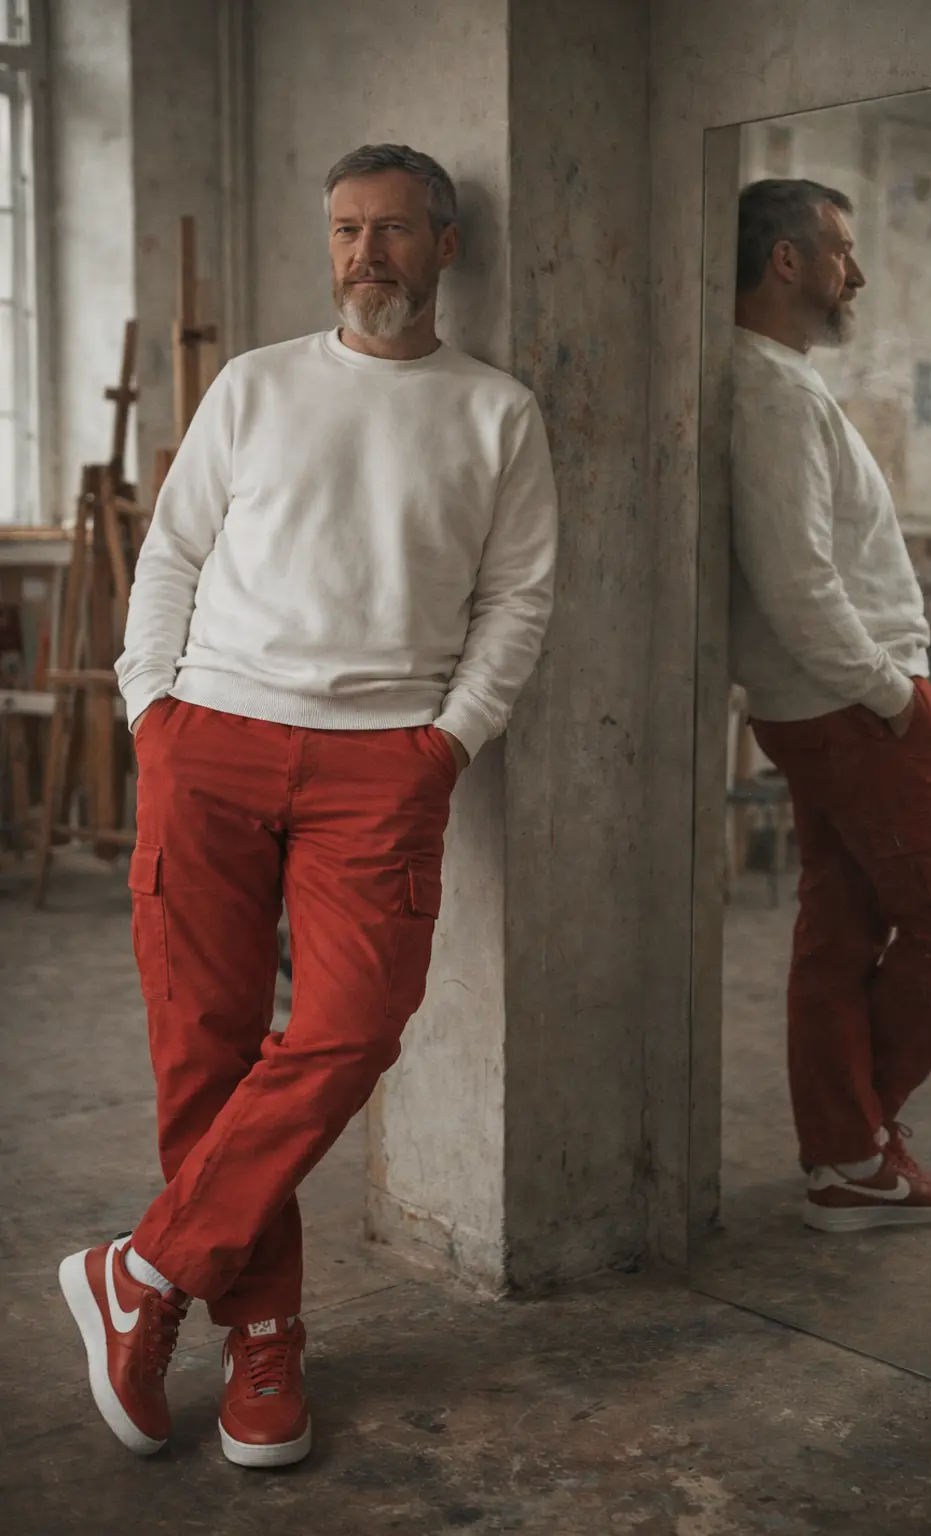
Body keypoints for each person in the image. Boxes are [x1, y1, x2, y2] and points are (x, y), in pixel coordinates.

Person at [59, 144, 558, 1467]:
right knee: (204, 1052)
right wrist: (152, 711)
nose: (364, 254)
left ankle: (143, 1271)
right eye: (345, 230)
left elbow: (518, 598)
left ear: (445, 246)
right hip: (211, 739)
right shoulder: (255, 384)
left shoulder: (496, 412)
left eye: (391, 230)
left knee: (352, 1027)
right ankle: (262, 1338)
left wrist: (448, 743)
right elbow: (172, 552)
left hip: (382, 764)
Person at [728, 178, 931, 1234]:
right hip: (853, 705)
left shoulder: (775, 380)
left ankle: (848, 1161)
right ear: (787, 260)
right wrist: (893, 697)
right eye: (840, 249)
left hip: (828, 703)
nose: (857, 272)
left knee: (839, 930)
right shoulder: (772, 393)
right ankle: (854, 1147)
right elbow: (796, 581)